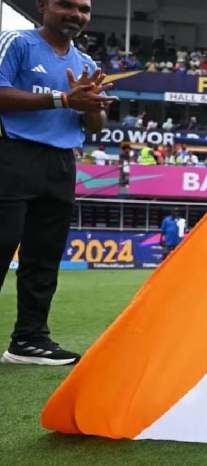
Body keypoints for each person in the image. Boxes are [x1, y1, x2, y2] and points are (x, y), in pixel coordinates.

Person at [0, 0, 116, 365]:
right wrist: (63, 98)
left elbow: (93, 127)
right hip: (12, 153)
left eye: (83, 9)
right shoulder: (16, 42)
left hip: (62, 163)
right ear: (43, 6)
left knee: (44, 256)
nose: (76, 15)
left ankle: (29, 340)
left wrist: (93, 108)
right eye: (66, 5)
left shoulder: (88, 65)